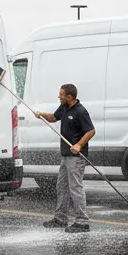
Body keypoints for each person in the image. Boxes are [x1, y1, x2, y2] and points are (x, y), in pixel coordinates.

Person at [33, 83, 96, 233]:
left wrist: (79, 145)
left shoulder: (80, 111)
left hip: (76, 157)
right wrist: (41, 114)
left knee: (75, 188)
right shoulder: (64, 108)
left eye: (61, 94)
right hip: (65, 156)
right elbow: (54, 118)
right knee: (61, 186)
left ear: (70, 96)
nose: (58, 96)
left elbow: (91, 131)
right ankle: (61, 218)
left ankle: (82, 221)